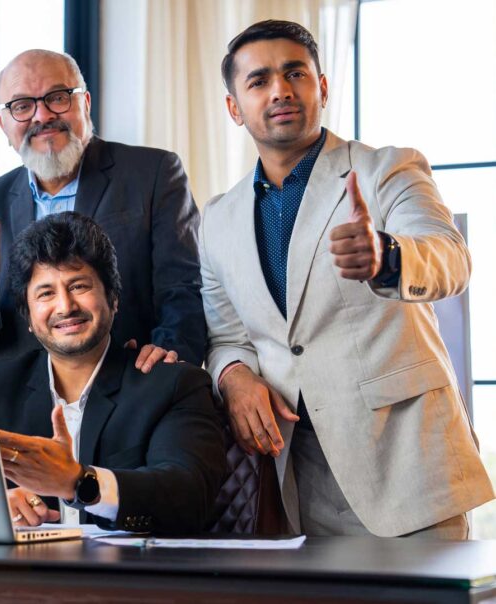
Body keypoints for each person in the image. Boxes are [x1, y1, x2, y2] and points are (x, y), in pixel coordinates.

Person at [200, 20, 493, 538]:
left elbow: (451, 258)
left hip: (408, 465)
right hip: (300, 476)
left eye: (296, 73)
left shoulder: (387, 170)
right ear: (233, 108)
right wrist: (234, 376)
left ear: (323, 87)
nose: (280, 91)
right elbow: (227, 337)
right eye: (259, 80)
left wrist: (387, 256)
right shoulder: (218, 220)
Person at [0, 49, 206, 371]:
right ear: (2, 123)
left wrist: (167, 360)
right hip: (21, 406)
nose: (42, 116)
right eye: (22, 106)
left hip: (132, 390)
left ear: (85, 103)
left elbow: (183, 287)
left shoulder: (153, 173)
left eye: (58, 97)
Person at [0, 212, 225, 534]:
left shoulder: (172, 383)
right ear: (28, 316)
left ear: (113, 299)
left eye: (79, 286)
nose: (65, 306)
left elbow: (189, 496)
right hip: (19, 579)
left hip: (131, 579)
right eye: (46, 293)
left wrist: (79, 482)